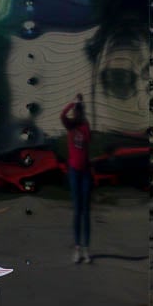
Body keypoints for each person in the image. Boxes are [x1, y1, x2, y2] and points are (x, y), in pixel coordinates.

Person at [60, 94, 92, 264]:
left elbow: (88, 144)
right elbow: (62, 116)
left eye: (80, 109)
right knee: (77, 210)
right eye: (76, 110)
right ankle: (77, 248)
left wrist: (83, 120)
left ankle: (86, 249)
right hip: (73, 172)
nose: (78, 112)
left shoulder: (85, 126)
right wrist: (73, 102)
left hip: (85, 172)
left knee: (86, 212)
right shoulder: (69, 126)